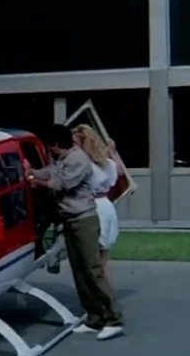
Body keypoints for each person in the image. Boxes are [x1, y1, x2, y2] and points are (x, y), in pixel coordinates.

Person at [23, 124, 124, 341]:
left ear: (56, 143)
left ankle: (113, 319)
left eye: (49, 145)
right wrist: (31, 170)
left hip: (84, 220)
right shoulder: (61, 159)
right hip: (70, 220)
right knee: (80, 272)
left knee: (93, 269)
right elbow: (49, 172)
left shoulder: (78, 159)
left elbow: (60, 184)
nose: (49, 149)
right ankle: (94, 317)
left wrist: (32, 180)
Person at [72, 125, 119, 281]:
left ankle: (99, 288)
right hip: (104, 205)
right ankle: (103, 286)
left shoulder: (85, 164)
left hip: (93, 206)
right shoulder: (105, 163)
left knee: (93, 254)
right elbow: (116, 175)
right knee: (102, 253)